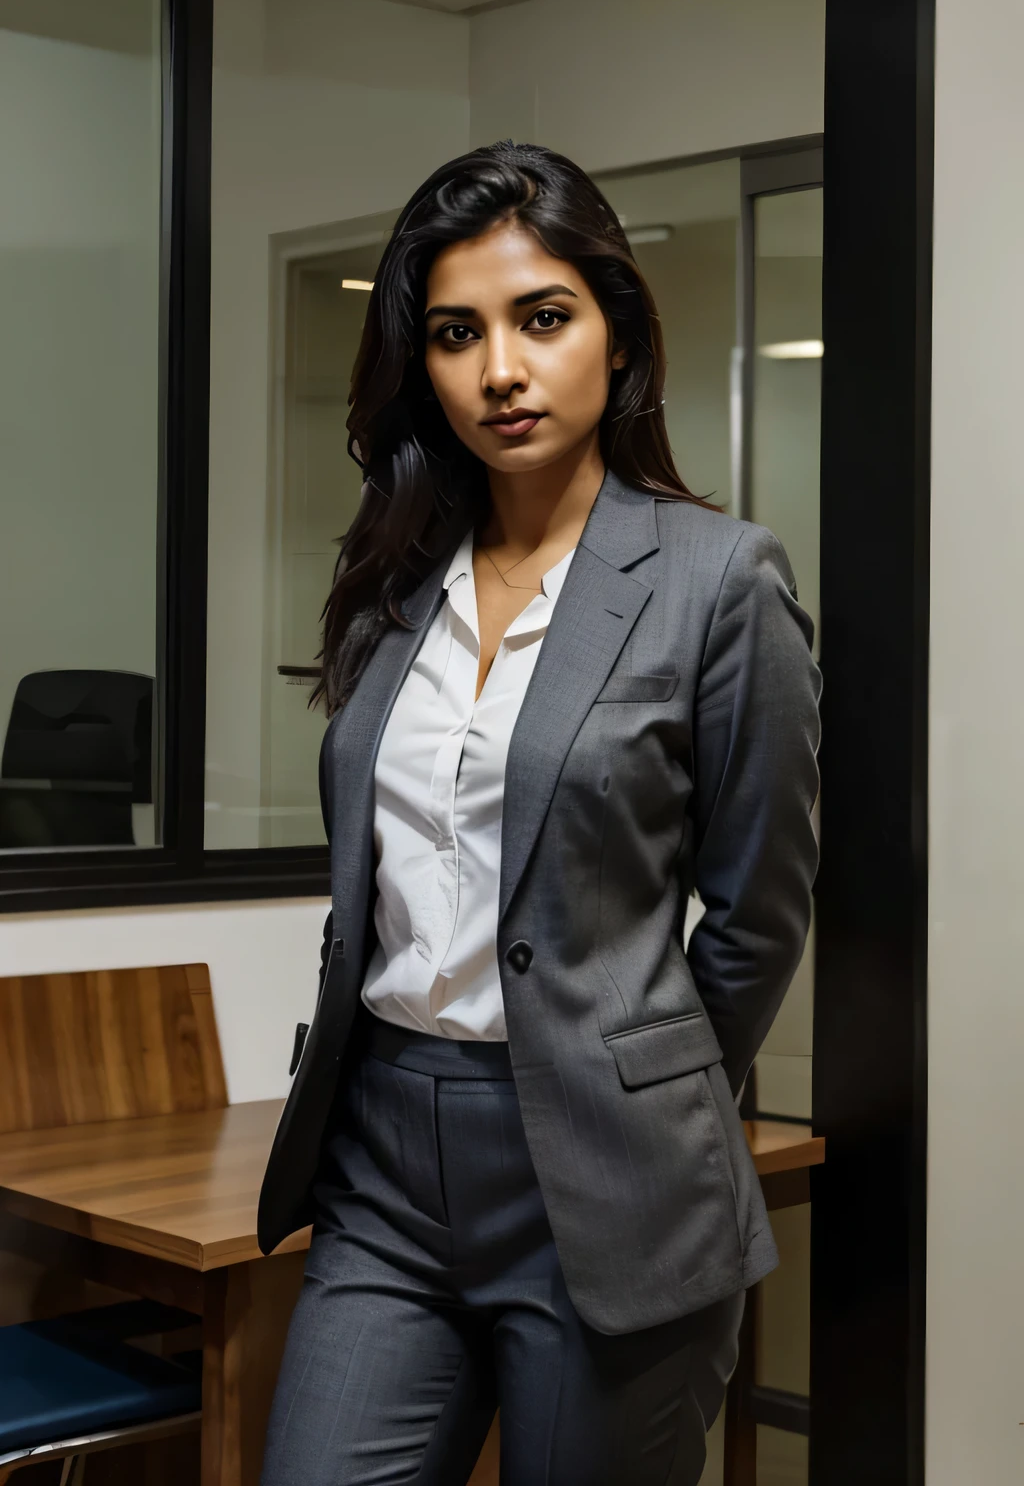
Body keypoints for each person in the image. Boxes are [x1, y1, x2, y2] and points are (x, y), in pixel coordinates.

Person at [257, 140, 822, 1486]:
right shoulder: (399, 580)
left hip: (605, 1182)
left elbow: (759, 914)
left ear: (617, 338)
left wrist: (628, 1075)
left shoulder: (718, 579)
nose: (499, 368)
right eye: (456, 334)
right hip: (386, 1161)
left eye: (542, 318)